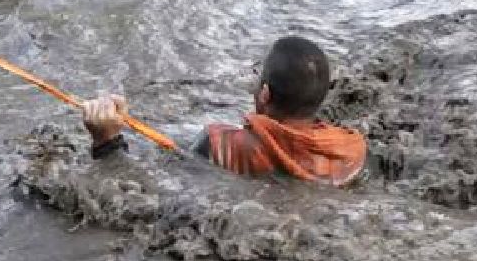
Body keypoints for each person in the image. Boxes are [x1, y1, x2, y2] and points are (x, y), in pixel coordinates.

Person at [82, 36, 367, 185]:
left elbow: (146, 178)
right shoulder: (352, 150)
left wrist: (106, 140)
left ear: (264, 94)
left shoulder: (221, 143)